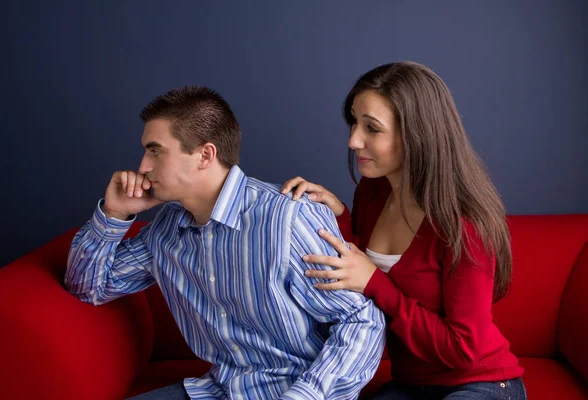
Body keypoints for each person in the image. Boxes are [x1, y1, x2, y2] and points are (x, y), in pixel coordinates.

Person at [64, 86, 386, 400]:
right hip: (216, 389)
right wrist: (115, 213)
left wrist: (307, 395)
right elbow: (88, 287)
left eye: (155, 150)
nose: (143, 167)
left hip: (295, 389)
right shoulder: (165, 230)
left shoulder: (287, 218)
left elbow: (361, 321)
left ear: (205, 155)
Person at [281, 61, 527, 399]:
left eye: (372, 128)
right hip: (410, 384)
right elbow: (360, 269)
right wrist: (336, 214)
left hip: (480, 382)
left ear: (416, 134)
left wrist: (375, 284)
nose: (354, 140)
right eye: (354, 122)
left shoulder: (464, 224)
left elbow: (462, 350)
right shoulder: (372, 192)